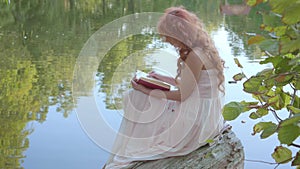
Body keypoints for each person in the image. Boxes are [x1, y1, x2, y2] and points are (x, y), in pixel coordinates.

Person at [103, 6, 226, 169]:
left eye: (168, 36)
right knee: (143, 94)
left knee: (137, 97)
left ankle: (132, 146)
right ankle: (133, 142)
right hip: (205, 113)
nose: (166, 40)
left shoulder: (195, 55)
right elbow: (195, 85)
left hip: (195, 122)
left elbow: (183, 95)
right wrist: (161, 78)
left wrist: (146, 90)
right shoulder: (203, 47)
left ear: (179, 35)